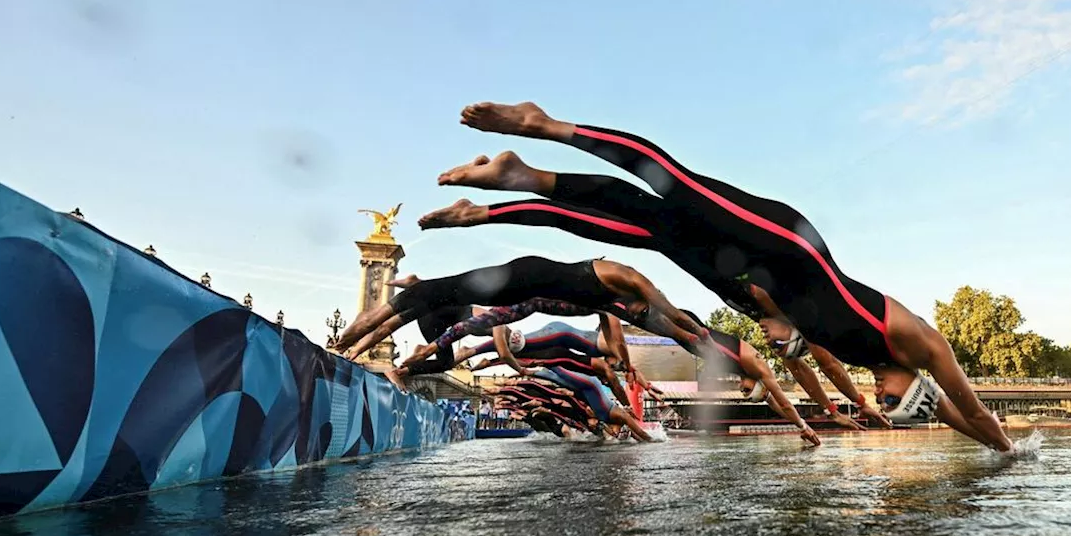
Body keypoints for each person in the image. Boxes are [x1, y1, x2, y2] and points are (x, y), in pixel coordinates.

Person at [419, 101, 1013, 453]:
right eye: (892, 398)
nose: (880, 399)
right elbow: (971, 408)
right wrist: (1011, 449)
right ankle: (543, 125)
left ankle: (513, 188)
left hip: (743, 279)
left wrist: (823, 405)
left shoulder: (863, 362)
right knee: (672, 185)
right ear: (913, 382)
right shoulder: (913, 341)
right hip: (786, 243)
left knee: (640, 225)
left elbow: (934, 409)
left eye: (885, 401)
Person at [398, 296, 830, 446]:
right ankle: (442, 345)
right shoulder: (752, 359)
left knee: (523, 347)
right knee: (522, 339)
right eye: (747, 385)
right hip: (577, 344)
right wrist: (812, 422)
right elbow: (780, 390)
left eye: (744, 386)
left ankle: (437, 346)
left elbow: (559, 368)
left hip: (565, 351)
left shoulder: (599, 371)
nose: (743, 383)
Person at [330, 255, 707, 362]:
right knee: (395, 312)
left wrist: (688, 339)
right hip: (523, 276)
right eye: (640, 312)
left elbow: (661, 322)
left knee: (426, 305)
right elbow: (660, 304)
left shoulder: (619, 305)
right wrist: (688, 326)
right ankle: (341, 345)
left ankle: (415, 291)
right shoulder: (623, 280)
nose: (635, 315)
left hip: (518, 297)